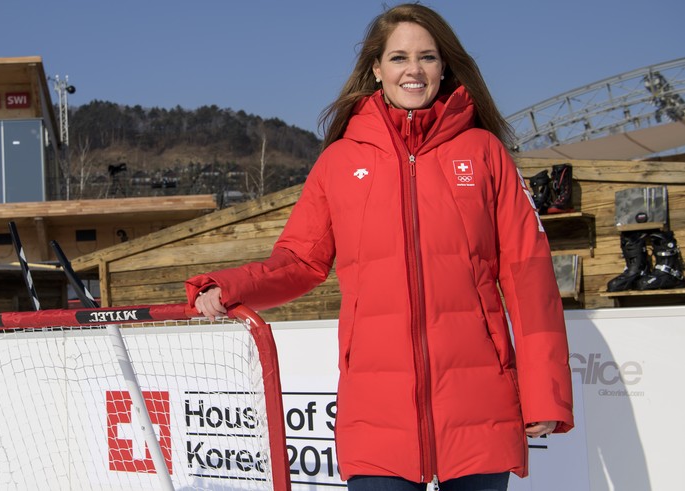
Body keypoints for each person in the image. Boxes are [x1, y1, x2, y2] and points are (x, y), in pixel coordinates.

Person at [187, 4, 573, 490]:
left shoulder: (483, 154)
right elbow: (301, 261)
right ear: (376, 69)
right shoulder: (339, 163)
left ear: (444, 67)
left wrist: (544, 395)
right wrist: (229, 285)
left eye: (427, 57)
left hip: (480, 408)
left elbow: (529, 276)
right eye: (399, 58)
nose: (414, 69)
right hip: (375, 412)